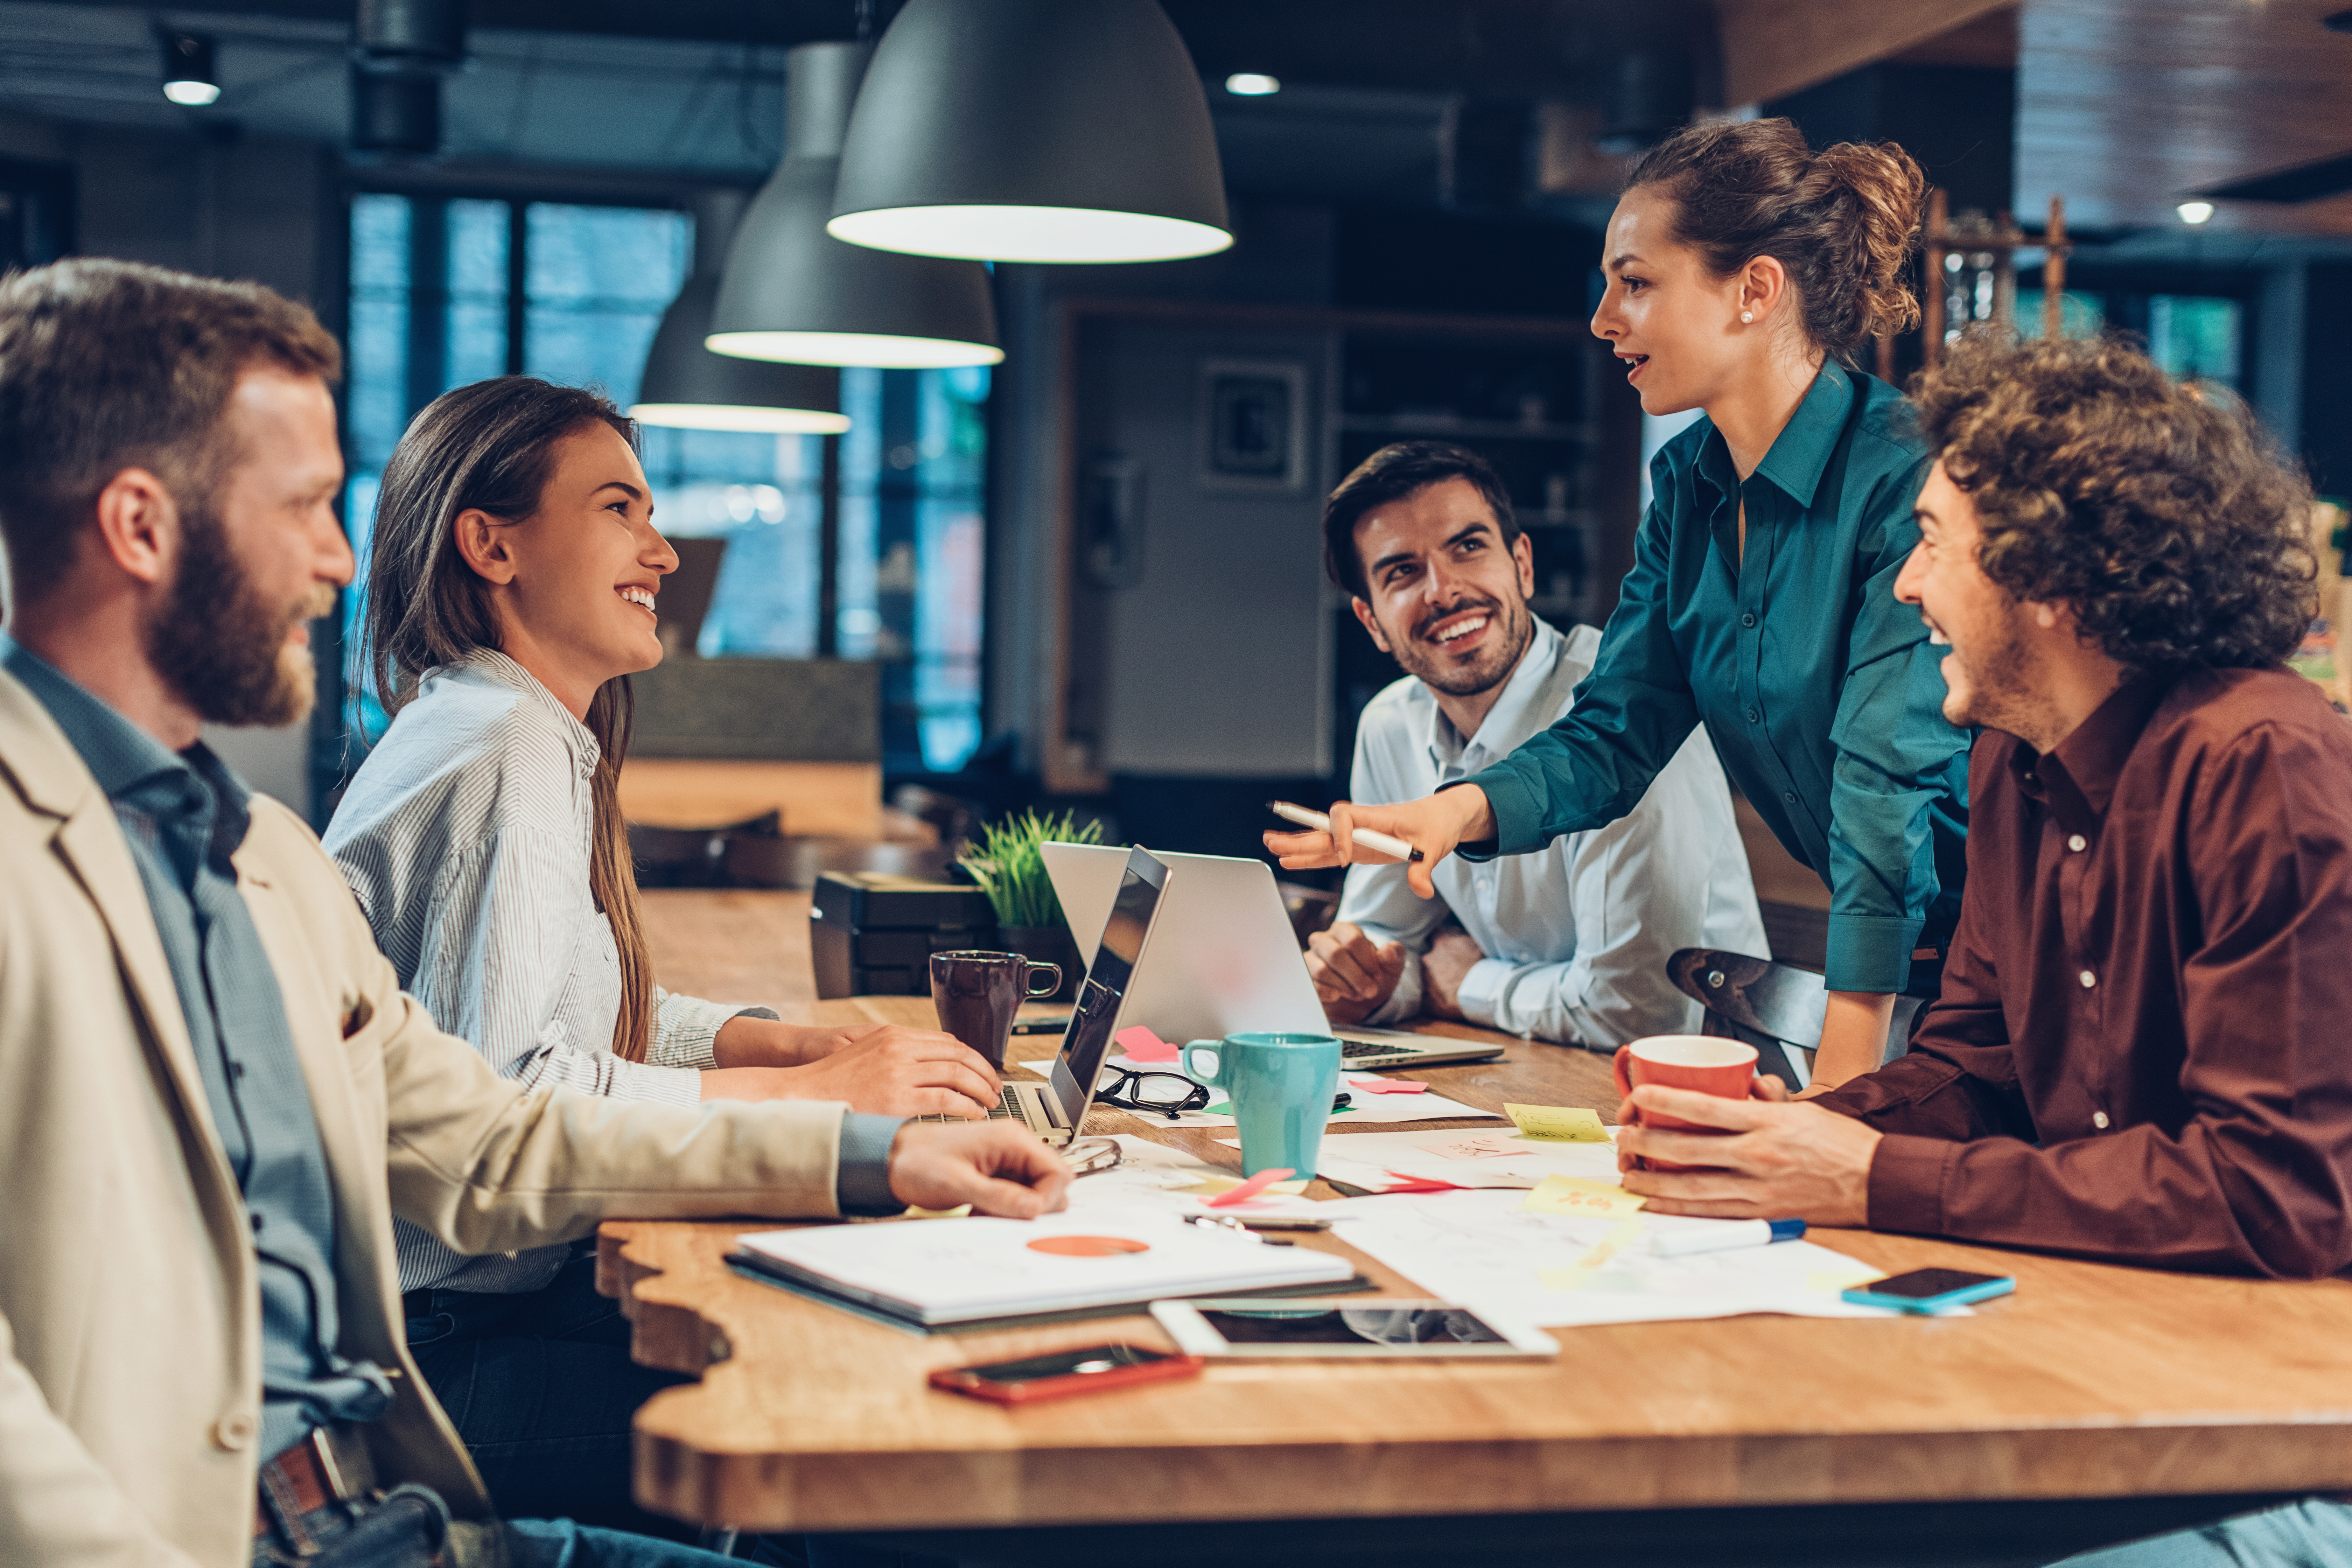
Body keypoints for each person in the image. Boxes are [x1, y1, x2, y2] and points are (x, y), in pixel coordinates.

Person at [0, 257, 1069, 1568]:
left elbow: (486, 1136)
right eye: (304, 508)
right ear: (141, 526)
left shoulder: (253, 855)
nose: (341, 561)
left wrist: (869, 1151)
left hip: (352, 1482)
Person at [321, 376, 1005, 1533]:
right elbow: (515, 1100)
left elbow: (560, 1009)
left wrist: (776, 1042)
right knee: (857, 1408)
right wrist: (822, 1100)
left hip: (450, 1312)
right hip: (424, 1361)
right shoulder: (503, 754)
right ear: (490, 544)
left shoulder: (496, 724)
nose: (666, 552)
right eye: (620, 510)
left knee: (840, 1314)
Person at [1610, 332, 2352, 1280]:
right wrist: (1798, 1134)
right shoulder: (2012, 755)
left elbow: (2274, 1197)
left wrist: (1872, 1175)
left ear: (2048, 575)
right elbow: (1975, 1067)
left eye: (1929, 542)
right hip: (2120, 1302)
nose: (1907, 583)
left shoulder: (2261, 765)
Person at [1268, 117, 1972, 1090]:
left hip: (2024, 951)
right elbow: (1614, 730)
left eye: (1636, 283)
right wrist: (1455, 813)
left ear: (1754, 292)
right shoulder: (1687, 486)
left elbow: (1884, 793)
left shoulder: (1904, 475)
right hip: (1930, 979)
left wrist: (1840, 1098)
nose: (1604, 319)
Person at [1306, 440, 1766, 1046]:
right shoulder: (1390, 724)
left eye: (1468, 548)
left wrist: (1470, 984)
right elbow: (1386, 947)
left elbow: (1637, 1013)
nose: (1443, 592)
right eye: (1403, 572)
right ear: (1372, 624)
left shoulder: (1630, 711)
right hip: (1531, 1072)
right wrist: (1363, 980)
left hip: (1711, 1093)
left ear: (1522, 564)